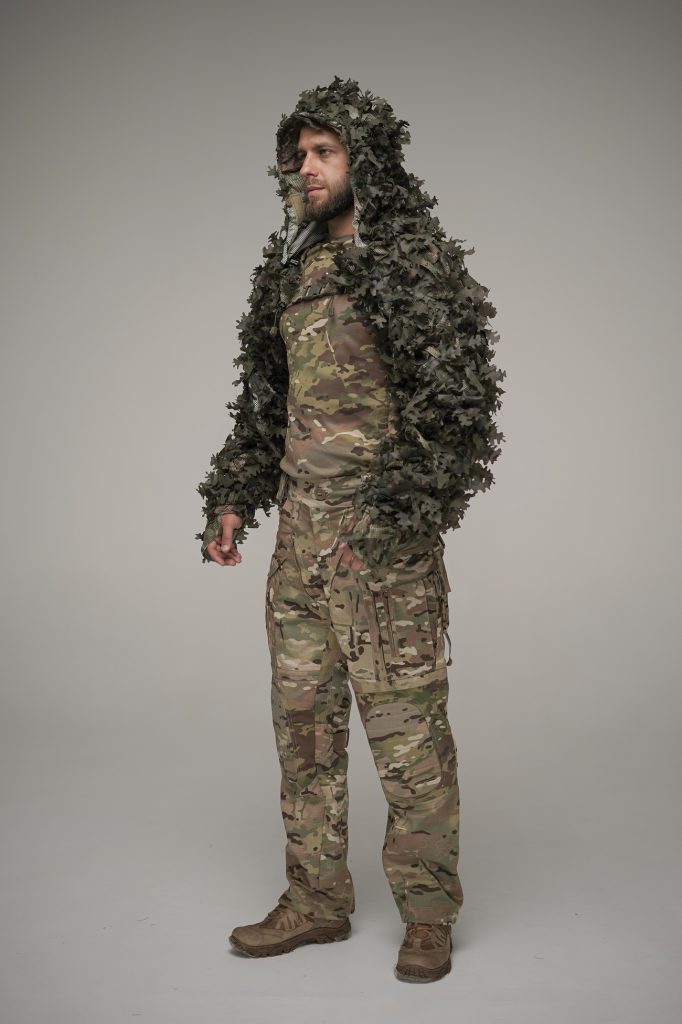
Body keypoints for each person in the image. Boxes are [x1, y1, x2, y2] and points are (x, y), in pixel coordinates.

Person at [196, 76, 505, 983]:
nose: (307, 168)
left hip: (380, 554)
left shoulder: (412, 265)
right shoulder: (290, 273)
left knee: (408, 741)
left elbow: (461, 414)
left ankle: (428, 915)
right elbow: (264, 408)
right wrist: (232, 497)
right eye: (298, 155)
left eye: (324, 152)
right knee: (304, 731)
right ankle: (317, 900)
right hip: (299, 546)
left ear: (366, 160)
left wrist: (389, 524)